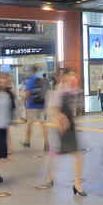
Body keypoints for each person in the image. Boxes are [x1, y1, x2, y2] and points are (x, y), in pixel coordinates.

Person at [45, 68, 87, 196]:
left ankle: (77, 184)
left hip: (71, 125)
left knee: (77, 155)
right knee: (55, 154)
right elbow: (53, 111)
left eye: (73, 76)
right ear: (63, 78)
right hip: (60, 128)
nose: (72, 79)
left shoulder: (73, 91)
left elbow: (77, 106)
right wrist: (60, 121)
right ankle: (49, 175)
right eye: (69, 76)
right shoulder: (58, 92)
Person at [21, 66, 51, 151]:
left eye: (28, 70)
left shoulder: (30, 81)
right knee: (43, 123)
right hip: (41, 104)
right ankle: (46, 143)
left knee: (29, 123)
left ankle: (27, 140)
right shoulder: (41, 79)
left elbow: (27, 93)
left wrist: (21, 97)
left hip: (32, 105)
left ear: (31, 71)